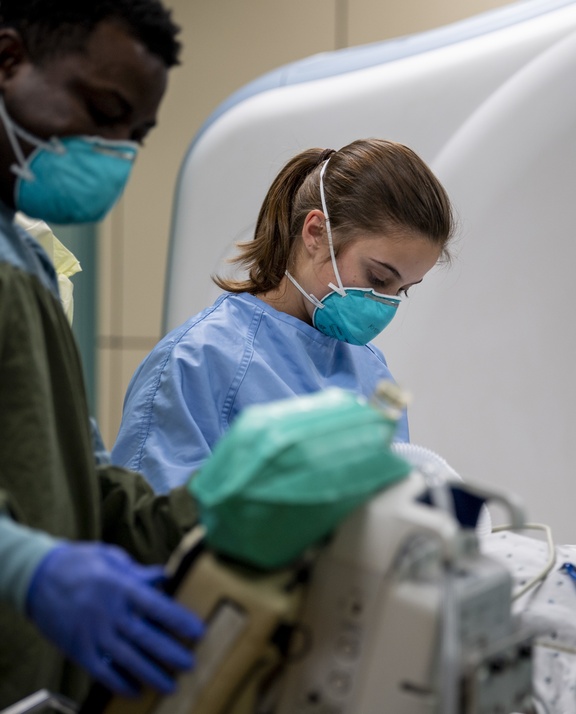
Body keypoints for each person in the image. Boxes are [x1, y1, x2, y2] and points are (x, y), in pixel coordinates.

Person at [0, 1, 206, 708]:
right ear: (7, 62)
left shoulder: (27, 260)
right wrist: (26, 566)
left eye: (137, 135)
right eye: (103, 109)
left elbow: (75, 478)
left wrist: (212, 509)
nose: (116, 151)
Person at [112, 140, 454, 493]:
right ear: (316, 233)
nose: (383, 304)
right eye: (378, 278)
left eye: (401, 290)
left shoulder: (370, 370)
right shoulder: (196, 360)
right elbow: (150, 532)